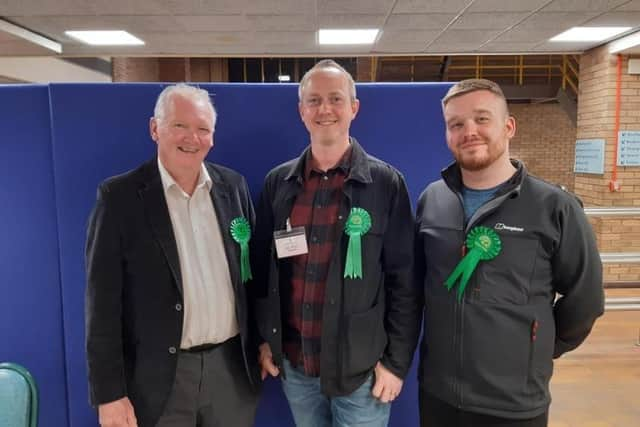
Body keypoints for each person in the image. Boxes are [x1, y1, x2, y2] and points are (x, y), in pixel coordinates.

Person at [415, 78, 605, 427]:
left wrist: (537, 349)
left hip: (514, 404)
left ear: (509, 126)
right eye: (456, 124)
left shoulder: (554, 207)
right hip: (438, 395)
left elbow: (586, 298)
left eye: (481, 119)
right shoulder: (432, 200)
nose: (468, 131)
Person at [253, 59, 422, 427]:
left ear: (354, 108)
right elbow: (263, 275)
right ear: (301, 111)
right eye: (313, 101)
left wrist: (396, 364)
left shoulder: (385, 183)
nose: (324, 109)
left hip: (362, 375)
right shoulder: (277, 184)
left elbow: (404, 283)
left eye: (335, 99)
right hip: (297, 368)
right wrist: (266, 340)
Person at [85, 83, 261, 427]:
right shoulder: (119, 198)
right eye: (179, 125)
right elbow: (101, 303)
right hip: (159, 378)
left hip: (231, 371)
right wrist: (109, 394)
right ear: (155, 128)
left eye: (202, 129)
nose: (191, 138)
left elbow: (253, 278)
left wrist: (267, 342)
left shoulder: (233, 187)